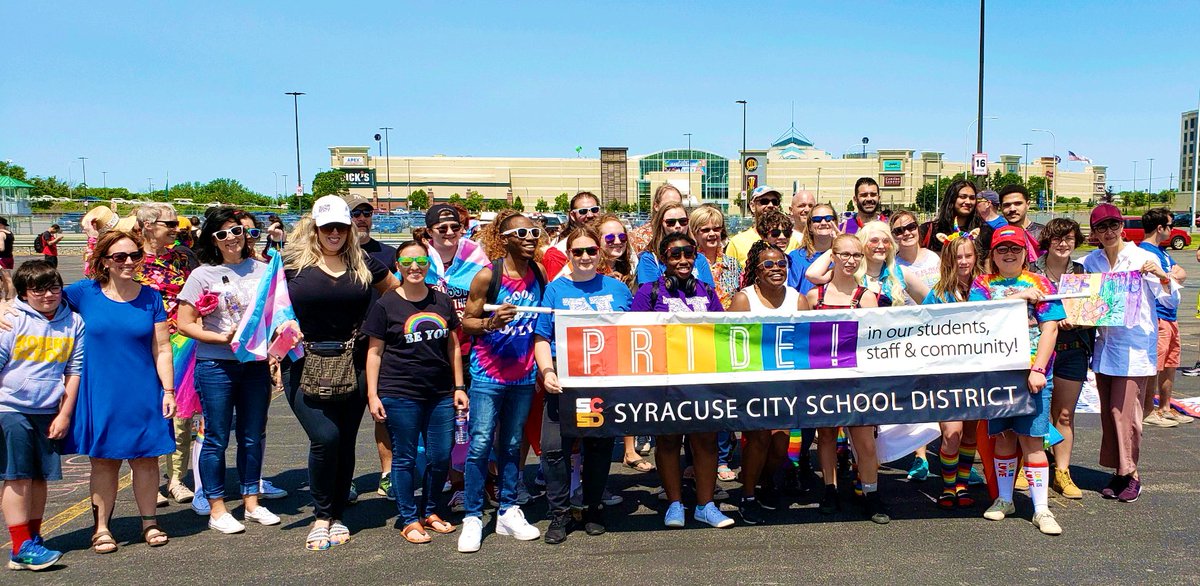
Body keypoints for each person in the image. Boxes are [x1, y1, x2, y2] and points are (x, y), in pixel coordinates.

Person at [281, 195, 400, 551]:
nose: (335, 233)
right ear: (315, 228)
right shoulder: (289, 266)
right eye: (327, 226)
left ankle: (335, 515)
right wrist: (281, 328)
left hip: (355, 360)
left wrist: (377, 327)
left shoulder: (365, 263)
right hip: (303, 361)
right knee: (325, 437)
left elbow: (396, 294)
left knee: (345, 440)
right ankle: (321, 515)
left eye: (341, 227)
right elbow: (267, 310)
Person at [63, 230, 177, 552]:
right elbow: (39, 296)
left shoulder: (152, 297)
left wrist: (168, 390)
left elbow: (163, 349)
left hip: (142, 389)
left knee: (146, 460)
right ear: (103, 261)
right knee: (103, 461)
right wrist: (8, 311)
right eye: (120, 257)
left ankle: (149, 522)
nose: (129, 262)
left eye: (134, 255)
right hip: (99, 390)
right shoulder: (83, 293)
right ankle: (101, 529)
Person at [177, 207, 278, 534]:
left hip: (254, 364)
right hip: (216, 364)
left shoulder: (264, 270)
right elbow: (184, 323)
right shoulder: (201, 275)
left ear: (246, 234)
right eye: (222, 234)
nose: (231, 239)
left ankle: (251, 502)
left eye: (236, 231)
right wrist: (220, 338)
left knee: (252, 435)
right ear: (213, 240)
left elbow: (275, 314)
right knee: (216, 437)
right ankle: (217, 507)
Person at [534, 225, 632, 543]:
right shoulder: (555, 289)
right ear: (569, 255)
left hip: (602, 383)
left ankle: (592, 508)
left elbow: (636, 334)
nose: (586, 256)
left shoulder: (617, 290)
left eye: (591, 250)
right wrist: (547, 371)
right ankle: (560, 514)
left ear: (599, 252)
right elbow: (541, 337)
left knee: (598, 447)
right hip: (564, 380)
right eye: (579, 251)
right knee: (553, 450)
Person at [364, 241, 467, 545]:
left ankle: (432, 511)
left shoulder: (441, 301)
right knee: (405, 458)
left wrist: (459, 386)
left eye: (421, 261)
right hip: (400, 392)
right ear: (397, 265)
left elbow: (453, 344)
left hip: (440, 393)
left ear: (428, 265)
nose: (415, 267)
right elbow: (374, 354)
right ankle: (409, 518)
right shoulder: (385, 305)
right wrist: (373, 394)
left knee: (439, 456)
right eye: (407, 262)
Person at [632, 232, 734, 529]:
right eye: (675, 255)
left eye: (688, 254)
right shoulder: (648, 292)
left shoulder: (705, 290)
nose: (683, 260)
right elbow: (635, 334)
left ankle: (705, 505)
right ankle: (675, 504)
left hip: (704, 379)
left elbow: (722, 330)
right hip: (665, 381)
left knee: (706, 442)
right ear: (663, 259)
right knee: (668, 440)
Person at [457, 213, 546, 553]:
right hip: (487, 374)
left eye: (534, 231)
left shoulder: (538, 273)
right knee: (480, 444)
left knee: (511, 444)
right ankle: (473, 516)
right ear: (504, 237)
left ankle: (509, 509)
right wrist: (492, 323)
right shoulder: (487, 275)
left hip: (523, 374)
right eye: (522, 232)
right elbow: (467, 322)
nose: (530, 237)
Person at [968, 225, 1064, 535]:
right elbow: (975, 317)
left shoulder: (1041, 282)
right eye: (1002, 249)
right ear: (992, 254)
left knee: (1033, 441)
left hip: (1033, 374)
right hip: (998, 376)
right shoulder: (982, 284)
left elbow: (1050, 328)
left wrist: (1038, 369)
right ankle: (1004, 499)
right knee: (1004, 438)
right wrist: (1020, 297)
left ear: (1025, 252)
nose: (1009, 254)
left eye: (1015, 249)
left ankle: (1041, 508)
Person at [1082, 204, 1179, 503]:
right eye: (1102, 227)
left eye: (1114, 225)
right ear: (1095, 233)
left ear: (1123, 226)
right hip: (1105, 348)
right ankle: (1119, 470)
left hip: (1134, 348)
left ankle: (1132, 473)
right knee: (1110, 415)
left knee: (1127, 415)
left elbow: (1171, 295)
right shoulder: (1091, 262)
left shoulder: (1142, 257)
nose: (1109, 232)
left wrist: (1163, 275)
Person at [0, 261, 84, 571]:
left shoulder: (73, 322)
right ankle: (21, 545)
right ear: (23, 293)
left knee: (40, 478)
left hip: (48, 410)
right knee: (17, 476)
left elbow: (74, 370)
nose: (48, 295)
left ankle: (33, 539)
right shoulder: (10, 321)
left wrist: (64, 414)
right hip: (11, 408)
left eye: (53, 287)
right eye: (38, 290)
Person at [805, 234, 888, 523]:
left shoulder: (866, 296)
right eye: (844, 255)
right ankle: (830, 489)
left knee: (864, 440)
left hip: (857, 378)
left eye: (856, 256)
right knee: (826, 436)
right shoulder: (816, 296)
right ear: (834, 256)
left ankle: (871, 494)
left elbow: (877, 341)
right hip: (824, 377)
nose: (851, 261)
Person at [729, 240, 809, 525]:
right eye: (769, 264)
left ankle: (765, 483)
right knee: (760, 438)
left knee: (780, 444)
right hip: (753, 383)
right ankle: (747, 496)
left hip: (786, 384)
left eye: (781, 264)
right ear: (757, 271)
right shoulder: (743, 299)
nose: (776, 269)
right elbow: (729, 343)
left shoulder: (798, 299)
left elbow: (807, 343)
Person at [132, 203, 199, 507]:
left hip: (181, 341)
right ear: (147, 225)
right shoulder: (128, 258)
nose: (175, 229)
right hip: (142, 344)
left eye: (176, 225)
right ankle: (151, 479)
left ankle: (176, 479)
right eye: (169, 224)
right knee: (148, 411)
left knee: (182, 414)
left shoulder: (183, 257)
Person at [424, 203, 488, 510]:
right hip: (432, 353)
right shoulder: (417, 261)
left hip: (473, 350)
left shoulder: (477, 258)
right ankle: (451, 479)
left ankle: (475, 481)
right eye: (442, 228)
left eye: (455, 228)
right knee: (446, 421)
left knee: (476, 420)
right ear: (429, 232)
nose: (449, 233)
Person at [1031, 218, 1094, 499]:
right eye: (1057, 238)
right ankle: (1028, 466)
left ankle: (1062, 472)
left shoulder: (1082, 272)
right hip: (1038, 352)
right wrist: (1050, 320)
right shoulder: (1031, 272)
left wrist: (1076, 322)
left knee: (1065, 415)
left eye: (1069, 238)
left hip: (1072, 350)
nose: (1063, 244)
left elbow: (1096, 314)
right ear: (1048, 241)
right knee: (1033, 413)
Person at [343, 194, 401, 501]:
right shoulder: (334, 255)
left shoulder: (388, 254)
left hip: (383, 346)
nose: (362, 218)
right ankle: (345, 476)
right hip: (346, 349)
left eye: (366, 212)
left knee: (384, 414)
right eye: (355, 213)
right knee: (345, 418)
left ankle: (388, 475)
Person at [921, 232, 983, 508]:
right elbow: (919, 329)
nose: (964, 261)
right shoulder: (937, 294)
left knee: (970, 433)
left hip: (980, 372)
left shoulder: (987, 288)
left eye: (968, 255)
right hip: (947, 374)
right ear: (948, 259)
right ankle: (947, 485)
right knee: (951, 434)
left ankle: (962, 483)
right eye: (958, 256)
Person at [1137, 208, 1192, 427]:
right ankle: (1148, 409)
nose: (1172, 229)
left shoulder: (1163, 253)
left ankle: (1165, 407)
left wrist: (1167, 275)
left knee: (1170, 362)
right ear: (1160, 228)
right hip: (1157, 315)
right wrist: (1171, 276)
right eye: (1170, 226)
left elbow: (1182, 272)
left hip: (1171, 315)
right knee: (1155, 365)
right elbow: (1166, 277)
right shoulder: (1145, 253)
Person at [807, 221, 930, 306]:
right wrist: (838, 245)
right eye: (874, 241)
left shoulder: (900, 273)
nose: (881, 246)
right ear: (863, 245)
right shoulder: (850, 271)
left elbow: (934, 303)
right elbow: (812, 274)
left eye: (886, 241)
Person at [636, 202, 715, 287]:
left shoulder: (699, 259)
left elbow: (711, 294)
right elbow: (648, 295)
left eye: (683, 221)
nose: (678, 226)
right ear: (661, 225)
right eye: (671, 222)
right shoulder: (649, 259)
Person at [727, 186, 802, 265]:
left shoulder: (790, 240)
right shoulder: (737, 243)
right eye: (764, 201)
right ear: (752, 206)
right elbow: (729, 274)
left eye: (775, 202)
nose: (770, 205)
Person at [690, 205, 742, 309]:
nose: (712, 234)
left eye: (716, 229)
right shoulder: (690, 264)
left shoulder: (732, 264)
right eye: (705, 230)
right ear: (694, 233)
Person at [543, 192, 602, 278]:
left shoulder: (610, 242)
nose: (590, 215)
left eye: (594, 210)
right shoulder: (557, 253)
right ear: (572, 215)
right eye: (583, 211)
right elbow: (555, 288)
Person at [918, 179, 983, 253]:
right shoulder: (929, 230)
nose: (968, 202)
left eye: (972, 198)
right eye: (962, 197)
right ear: (952, 199)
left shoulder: (983, 231)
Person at [787, 203, 838, 293]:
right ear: (810, 226)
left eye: (829, 219)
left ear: (836, 223)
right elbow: (792, 292)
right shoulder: (796, 257)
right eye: (817, 219)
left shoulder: (843, 256)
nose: (823, 223)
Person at [629, 184, 683, 253]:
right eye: (668, 205)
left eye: (678, 204)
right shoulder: (637, 237)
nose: (674, 209)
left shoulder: (685, 232)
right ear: (656, 206)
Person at [997, 185, 1045, 261]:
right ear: (1000, 207)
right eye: (1007, 205)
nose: (1012, 209)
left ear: (1028, 204)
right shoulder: (998, 236)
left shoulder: (1044, 233)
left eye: (1018, 203)